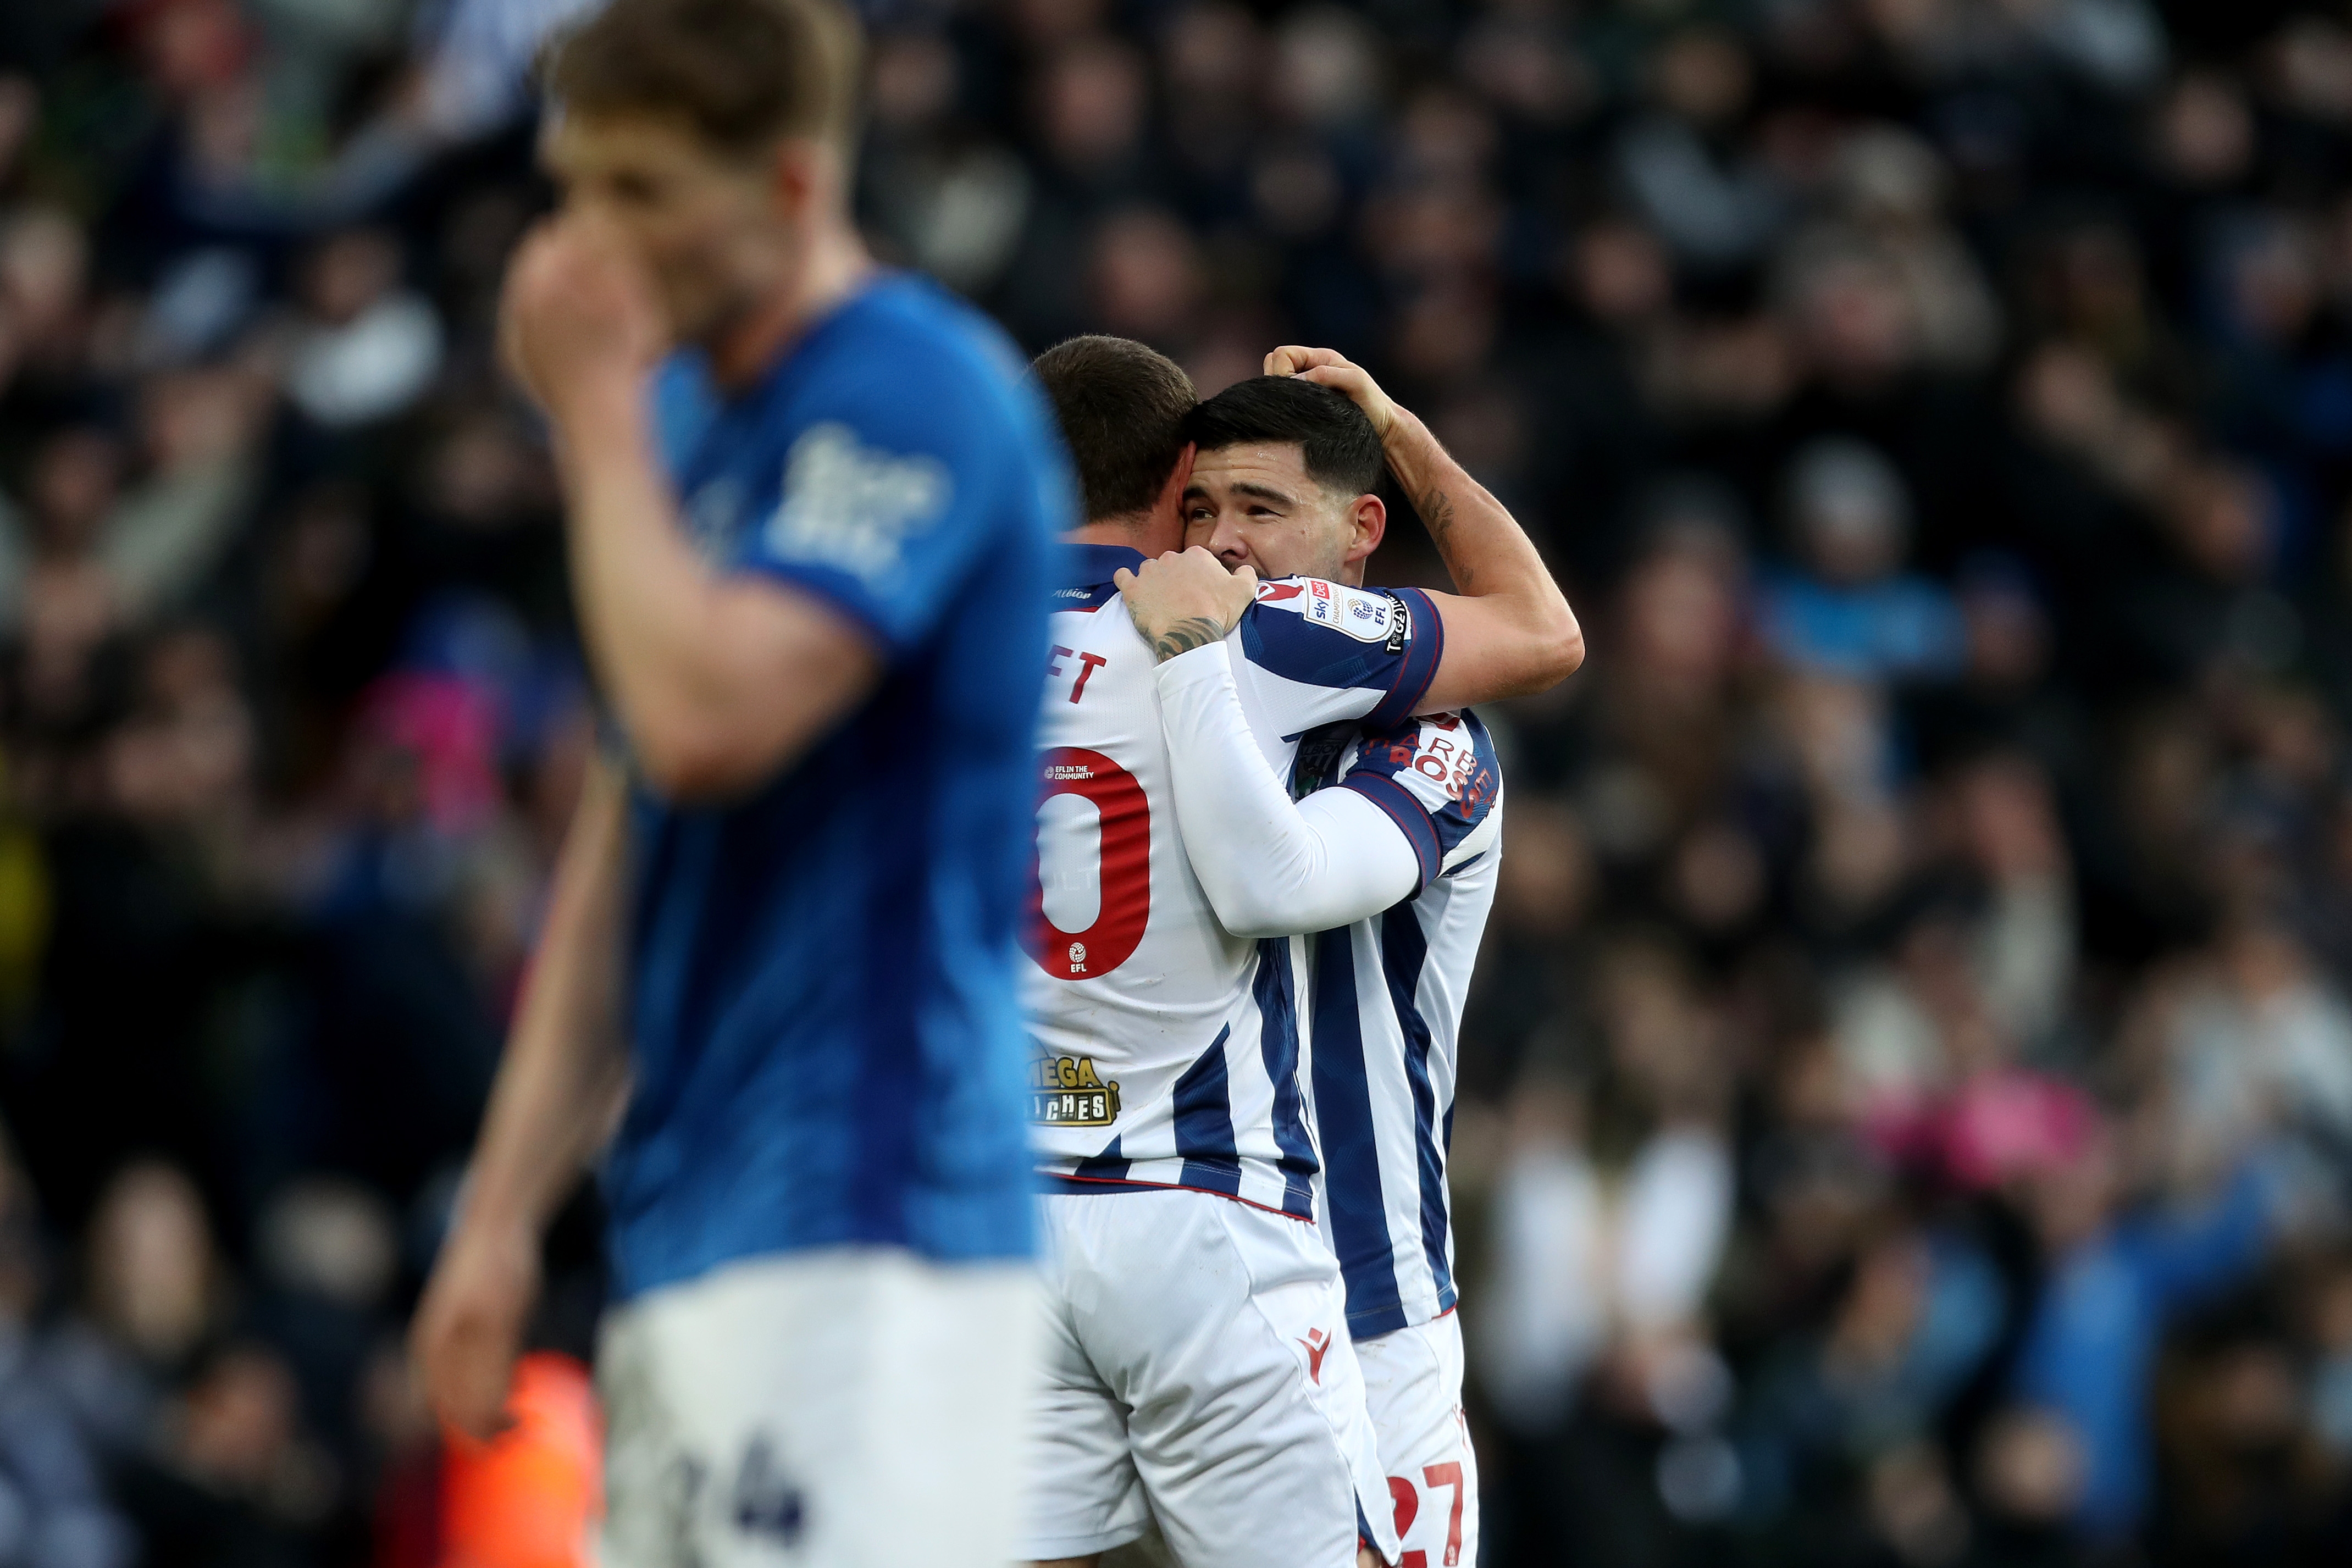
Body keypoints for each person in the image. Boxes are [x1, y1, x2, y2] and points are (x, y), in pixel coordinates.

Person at [407, 2, 1070, 1564]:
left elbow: (708, 718)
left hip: (873, 1218)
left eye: (640, 191)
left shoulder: (916, 395)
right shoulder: (699, 426)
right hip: (695, 1214)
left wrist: (592, 418)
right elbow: (631, 827)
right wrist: (501, 1213)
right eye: (575, 188)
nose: (586, 245)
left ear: (784, 186)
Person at [1022, 336, 1577, 1568]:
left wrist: (1403, 431)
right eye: (1204, 506)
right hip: (1194, 1231)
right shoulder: (1218, 656)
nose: (1224, 540)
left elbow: (1277, 879)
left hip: (1363, 1295)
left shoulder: (1425, 743)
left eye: (1261, 509)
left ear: (1359, 528)